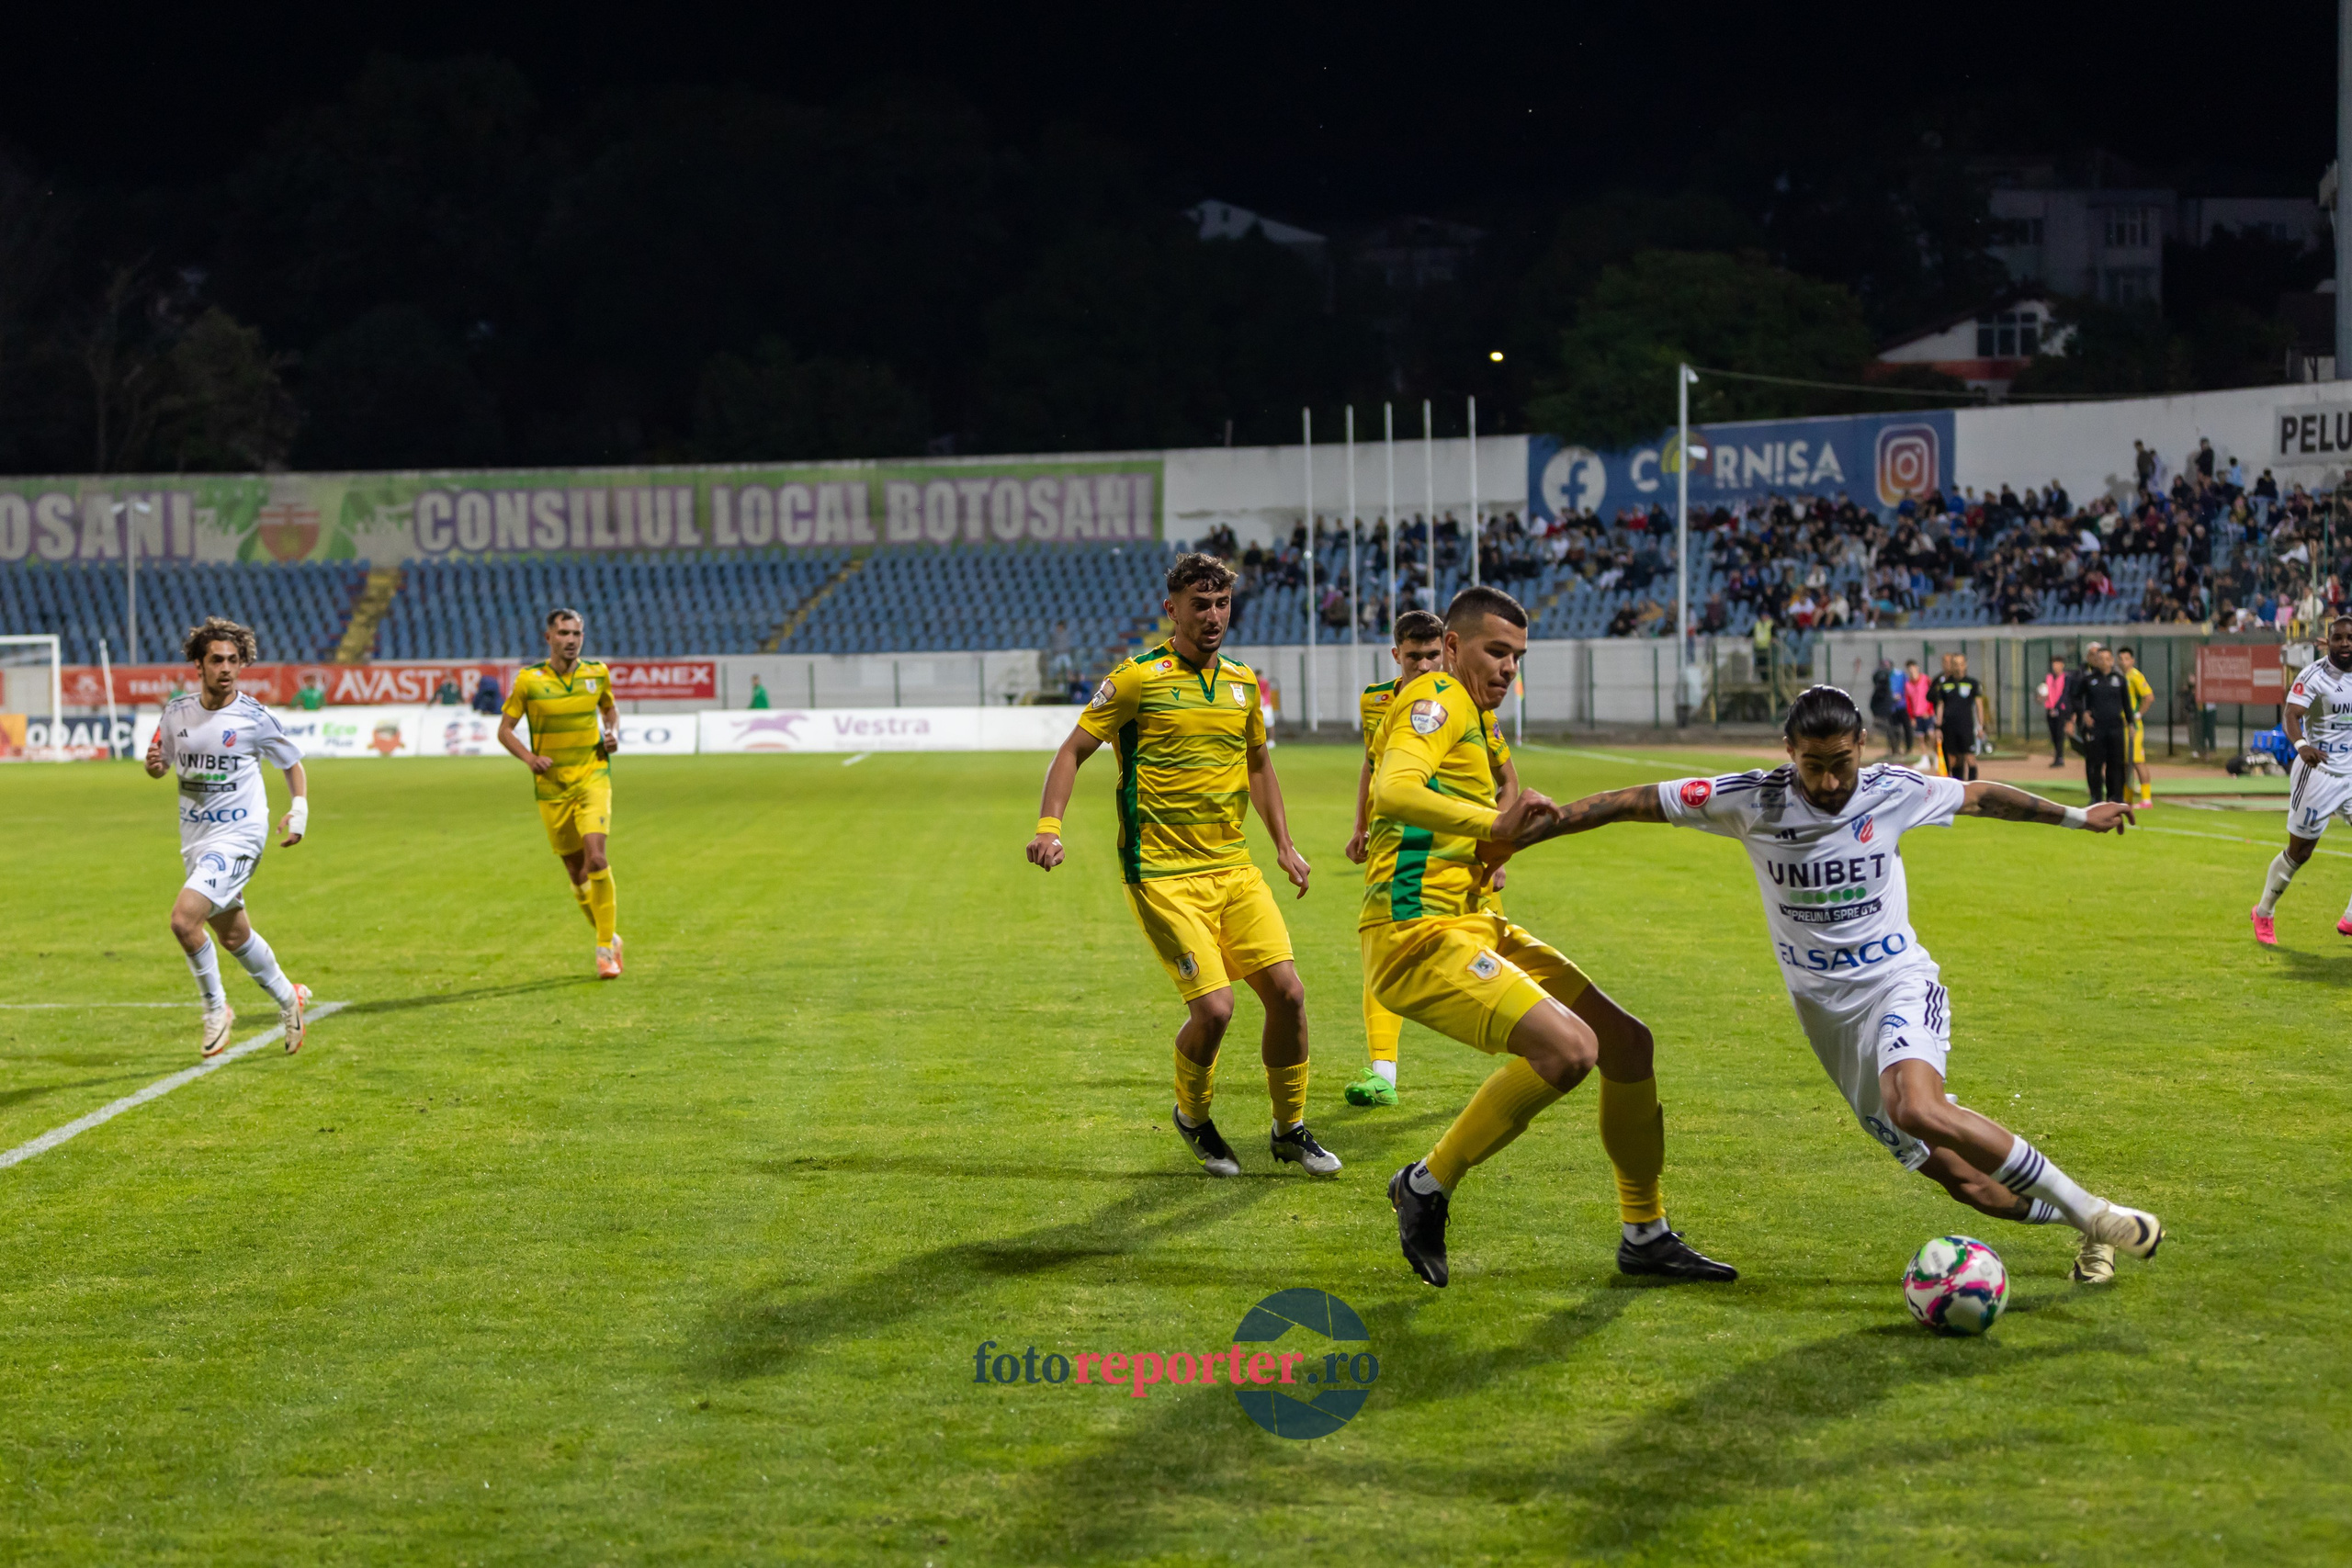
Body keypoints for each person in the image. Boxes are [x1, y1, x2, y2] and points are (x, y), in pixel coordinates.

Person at [1512, 685, 2161, 1284]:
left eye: (1842, 763)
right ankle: (2082, 1225)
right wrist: (1538, 827)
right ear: (1788, 752)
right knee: (1968, 1183)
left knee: (1917, 1106)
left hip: (1897, 982)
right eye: (1813, 764)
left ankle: (2098, 1211)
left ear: (1863, 749)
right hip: (1829, 1020)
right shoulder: (1753, 799)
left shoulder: (1894, 790)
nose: (1828, 780)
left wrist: (2080, 816)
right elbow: (1633, 801)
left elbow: (1984, 796)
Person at [1377, 586, 1736, 1289]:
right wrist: (1494, 827)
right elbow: (1392, 790)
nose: (1509, 668)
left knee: (1627, 1043)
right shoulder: (1438, 698)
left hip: (1471, 920)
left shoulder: (1481, 723)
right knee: (1572, 1049)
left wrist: (1502, 843)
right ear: (1451, 647)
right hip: (1415, 935)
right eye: (1495, 651)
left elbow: (1463, 836)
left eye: (1517, 656)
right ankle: (1426, 1184)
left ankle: (1646, 1233)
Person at [1027, 553, 1336, 1179]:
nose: (1214, 615)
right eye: (1201, 604)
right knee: (1215, 1009)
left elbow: (1258, 765)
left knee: (1290, 995)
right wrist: (1048, 826)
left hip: (1234, 869)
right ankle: (1193, 1117)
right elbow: (1073, 749)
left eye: (1223, 603)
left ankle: (1288, 1127)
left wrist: (1284, 843)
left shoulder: (1244, 683)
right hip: (1163, 874)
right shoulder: (1137, 678)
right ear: (1173, 609)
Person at [143, 617, 312, 1058]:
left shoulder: (254, 718)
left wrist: (299, 811)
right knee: (234, 937)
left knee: (184, 921)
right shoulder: (177, 712)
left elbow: (291, 764)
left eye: (234, 660)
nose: (226, 668)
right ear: (198, 665)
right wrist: (155, 766)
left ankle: (217, 1009)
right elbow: (162, 762)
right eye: (216, 660)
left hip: (241, 834)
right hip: (196, 837)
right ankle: (288, 999)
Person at [1343, 609, 1451, 1106]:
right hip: (1394, 840)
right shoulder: (1376, 701)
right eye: (1415, 657)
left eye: (1434, 655)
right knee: (1382, 949)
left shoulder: (1463, 700)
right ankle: (1384, 1071)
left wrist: (1497, 848)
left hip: (1452, 843)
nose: (1426, 665)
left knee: (1481, 945)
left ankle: (1543, 1042)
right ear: (1396, 656)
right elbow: (1371, 763)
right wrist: (1361, 824)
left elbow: (1504, 776)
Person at [498, 608, 625, 978]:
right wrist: (529, 757)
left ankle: (604, 950)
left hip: (593, 777)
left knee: (597, 858)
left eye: (577, 634)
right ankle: (611, 937)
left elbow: (610, 709)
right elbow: (505, 730)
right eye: (565, 633)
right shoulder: (529, 681)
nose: (571, 640)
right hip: (552, 788)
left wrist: (612, 731)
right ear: (549, 637)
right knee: (576, 872)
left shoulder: (597, 673)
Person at [2250, 614, 2352, 946]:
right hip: (2319, 773)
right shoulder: (2314, 676)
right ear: (2330, 641)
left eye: (2350, 637)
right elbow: (2291, 715)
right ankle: (2263, 911)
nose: (2345, 643)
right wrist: (2301, 745)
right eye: (2338, 638)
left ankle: (2350, 918)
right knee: (2300, 853)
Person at [2073, 645, 2133, 805]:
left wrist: (2131, 723)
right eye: (2100, 659)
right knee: (2095, 763)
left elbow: (2127, 704)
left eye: (2107, 659)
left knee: (2116, 764)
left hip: (2115, 727)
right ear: (2095, 661)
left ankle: (2116, 797)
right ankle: (2096, 797)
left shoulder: (2119, 680)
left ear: (2112, 660)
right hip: (2096, 728)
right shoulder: (2089, 680)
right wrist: (2084, 714)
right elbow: (2076, 698)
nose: (2104, 662)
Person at [1925, 652, 1988, 782]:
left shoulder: (1972, 684)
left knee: (1969, 758)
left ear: (1965, 665)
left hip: (1966, 726)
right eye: (1955, 664)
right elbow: (1940, 706)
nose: (1958, 667)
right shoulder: (1944, 685)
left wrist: (1981, 726)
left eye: (1960, 664)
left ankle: (1972, 786)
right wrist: (1938, 726)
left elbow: (1979, 706)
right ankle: (1958, 787)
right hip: (1949, 727)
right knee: (1953, 760)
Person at [2116, 646, 2155, 808]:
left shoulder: (2135, 676)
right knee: (2126, 763)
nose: (2124, 662)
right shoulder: (2120, 677)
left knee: (2138, 761)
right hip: (2122, 726)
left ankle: (2147, 799)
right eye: (2121, 659)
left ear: (2132, 660)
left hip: (2134, 727)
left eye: (2127, 659)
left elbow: (2149, 697)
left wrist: (2137, 715)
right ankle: (2128, 799)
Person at [2041, 655, 2071, 768]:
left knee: (2059, 734)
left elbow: (2065, 694)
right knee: (2053, 734)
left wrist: (2057, 707)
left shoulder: (2066, 677)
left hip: (2061, 710)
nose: (2055, 666)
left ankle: (2060, 757)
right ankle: (2057, 756)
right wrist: (2040, 696)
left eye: (2058, 663)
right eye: (2054, 664)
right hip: (2049, 709)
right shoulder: (2048, 677)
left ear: (2062, 665)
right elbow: (2042, 691)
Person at [1903, 659, 1933, 763]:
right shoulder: (1908, 684)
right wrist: (1911, 717)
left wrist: (1929, 710)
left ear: (1917, 668)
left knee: (1931, 735)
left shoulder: (1926, 680)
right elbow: (1909, 702)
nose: (1912, 670)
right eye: (1909, 669)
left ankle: (1936, 755)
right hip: (1917, 715)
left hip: (1927, 714)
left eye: (1913, 668)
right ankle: (1925, 759)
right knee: (1920, 738)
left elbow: (1932, 696)